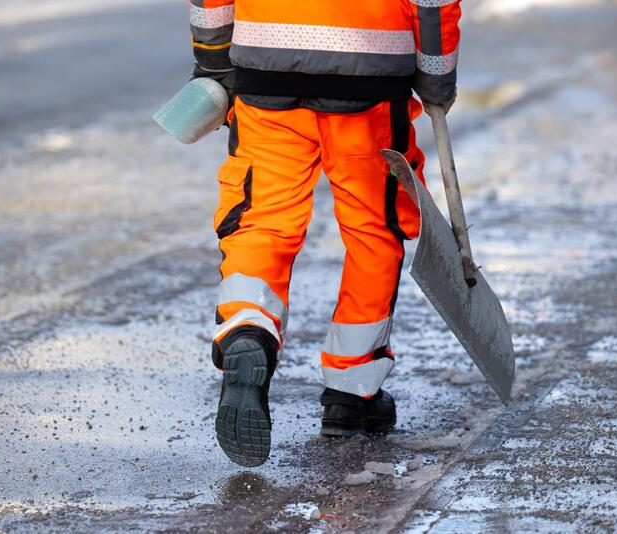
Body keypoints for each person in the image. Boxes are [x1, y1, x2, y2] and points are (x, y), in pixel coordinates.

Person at [189, 0, 461, 467]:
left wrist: (214, 64)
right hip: (371, 79)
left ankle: (247, 328)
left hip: (265, 70)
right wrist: (435, 79)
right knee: (373, 230)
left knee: (261, 219)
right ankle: (352, 392)